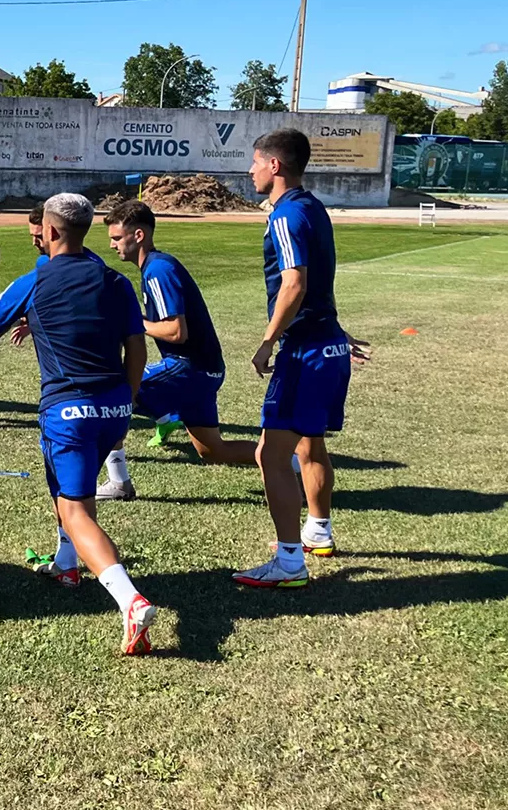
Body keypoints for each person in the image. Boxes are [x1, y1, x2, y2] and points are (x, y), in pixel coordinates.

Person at [0, 193, 158, 655]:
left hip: (68, 411)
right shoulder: (115, 282)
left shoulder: (32, 281)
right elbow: (137, 349)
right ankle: (66, 564)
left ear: (50, 231)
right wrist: (128, 402)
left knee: (77, 510)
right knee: (71, 490)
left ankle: (129, 599)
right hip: (114, 406)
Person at [235, 128, 350, 588]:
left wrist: (268, 341)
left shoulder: (285, 216)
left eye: (255, 162)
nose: (251, 170)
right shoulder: (314, 208)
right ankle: (317, 532)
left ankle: (288, 562)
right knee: (310, 443)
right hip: (328, 343)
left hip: (304, 351)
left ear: (274, 166)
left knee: (270, 453)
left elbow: (295, 283)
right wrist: (335, 330)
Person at [98, 200, 257, 498]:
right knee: (213, 450)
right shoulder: (157, 267)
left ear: (139, 235)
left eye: (117, 238)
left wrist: (131, 322)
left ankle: (119, 481)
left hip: (189, 367)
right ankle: (292, 462)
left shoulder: (158, 270)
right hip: (204, 369)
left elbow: (175, 331)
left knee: (114, 395)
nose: (112, 245)